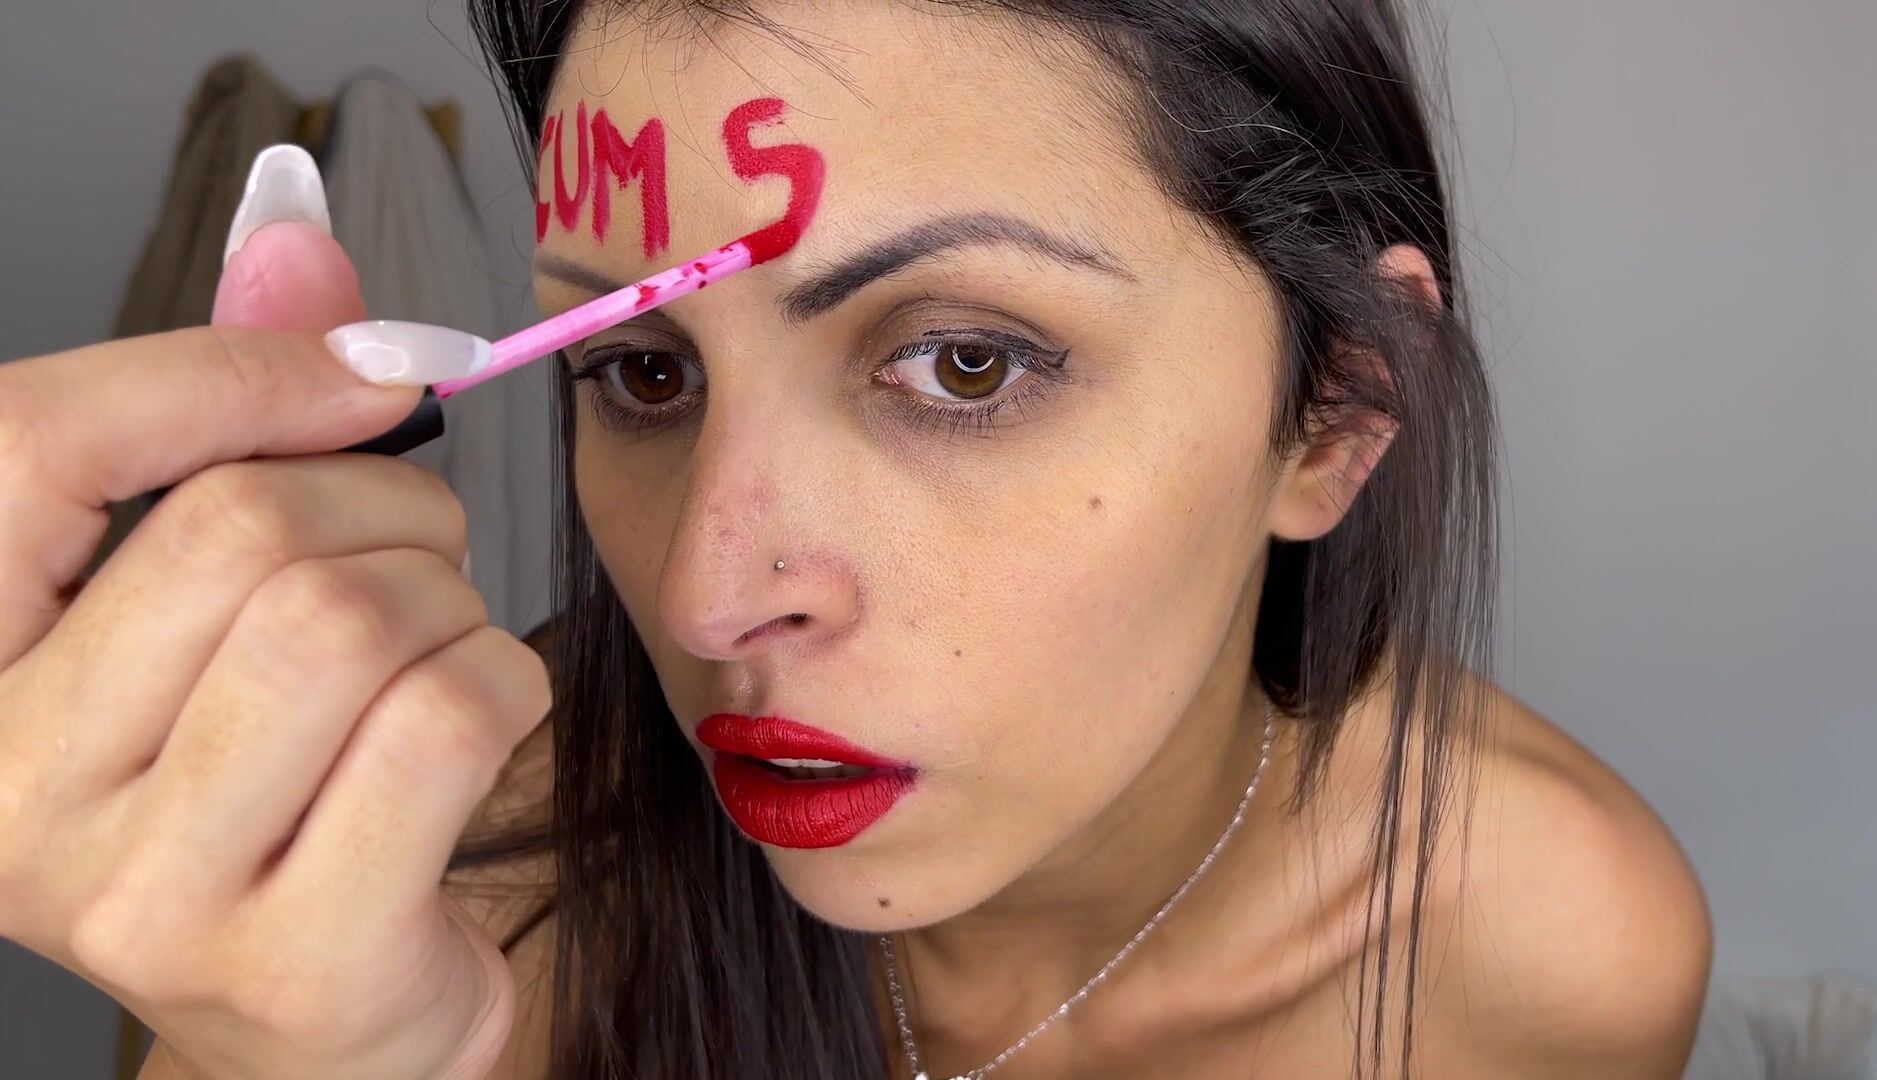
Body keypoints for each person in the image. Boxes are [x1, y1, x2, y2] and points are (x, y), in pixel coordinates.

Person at [0, 1, 1713, 1077]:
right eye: (641, 371)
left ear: (1334, 411)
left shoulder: (1541, 946)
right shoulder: (435, 922)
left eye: (965, 364)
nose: (706, 594)